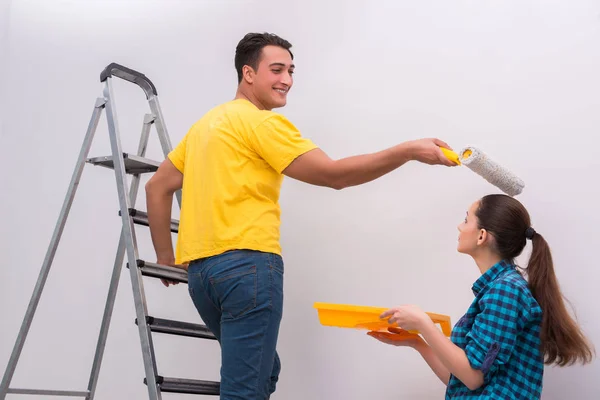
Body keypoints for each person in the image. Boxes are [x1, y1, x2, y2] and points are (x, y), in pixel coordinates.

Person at [145, 31, 456, 400]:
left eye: (291, 70)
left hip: (202, 276)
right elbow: (334, 175)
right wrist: (407, 150)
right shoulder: (261, 124)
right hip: (248, 269)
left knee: (264, 372)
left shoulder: (205, 127)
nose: (287, 80)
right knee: (244, 392)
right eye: (276, 70)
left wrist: (167, 257)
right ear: (248, 73)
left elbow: (156, 188)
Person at [369, 194, 595, 399]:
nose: (459, 227)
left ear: (482, 236)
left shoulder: (505, 291)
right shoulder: (499, 289)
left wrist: (423, 324)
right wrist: (416, 341)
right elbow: (460, 379)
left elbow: (473, 377)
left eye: (466, 220)